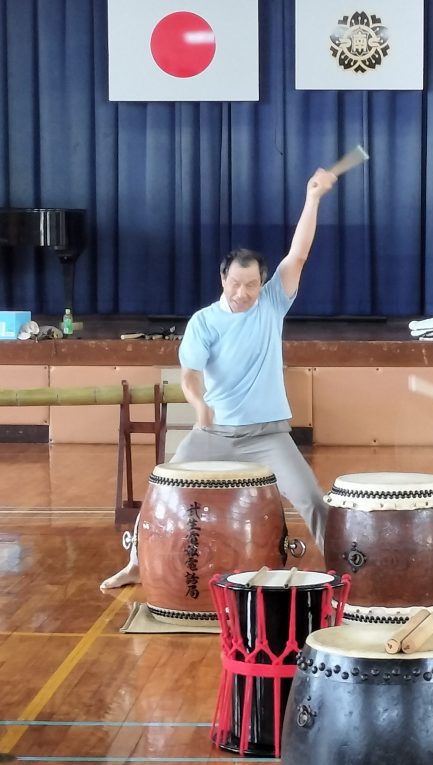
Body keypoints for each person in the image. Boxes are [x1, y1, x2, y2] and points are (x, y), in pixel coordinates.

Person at [101, 168, 338, 590]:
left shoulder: (272, 303)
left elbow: (298, 254)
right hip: (214, 432)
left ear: (262, 283)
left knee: (312, 499)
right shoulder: (204, 322)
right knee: (161, 488)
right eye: (235, 283)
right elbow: (190, 375)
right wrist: (199, 405)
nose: (243, 293)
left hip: (268, 434)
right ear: (222, 279)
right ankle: (136, 563)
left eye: (252, 285)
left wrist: (314, 198)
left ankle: (346, 571)